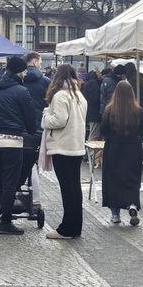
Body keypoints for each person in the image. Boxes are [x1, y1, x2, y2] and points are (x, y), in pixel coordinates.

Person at [0, 57, 36, 234]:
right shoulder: (21, 91)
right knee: (9, 182)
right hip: (12, 141)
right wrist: (30, 130)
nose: (26, 73)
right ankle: (5, 222)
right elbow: (30, 121)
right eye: (25, 70)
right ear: (19, 72)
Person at [42, 64, 87, 239]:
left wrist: (46, 116)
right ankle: (76, 226)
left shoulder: (61, 95)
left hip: (62, 146)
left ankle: (67, 228)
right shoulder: (79, 95)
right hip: (76, 146)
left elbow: (59, 121)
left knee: (67, 189)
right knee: (75, 188)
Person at [101, 81, 143, 225]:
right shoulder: (138, 110)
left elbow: (103, 131)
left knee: (113, 180)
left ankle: (115, 214)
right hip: (133, 149)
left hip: (114, 148)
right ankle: (132, 204)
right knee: (132, 178)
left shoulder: (109, 110)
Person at [21, 52, 51, 210]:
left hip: (20, 128)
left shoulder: (19, 80)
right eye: (39, 62)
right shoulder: (46, 81)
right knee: (33, 164)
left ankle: (17, 196)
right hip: (38, 127)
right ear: (34, 61)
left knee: (19, 163)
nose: (40, 65)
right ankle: (36, 200)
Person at [82, 70, 103, 142]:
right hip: (94, 113)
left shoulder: (86, 84)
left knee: (93, 132)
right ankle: (91, 152)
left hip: (89, 112)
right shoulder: (94, 84)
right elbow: (95, 98)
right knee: (94, 134)